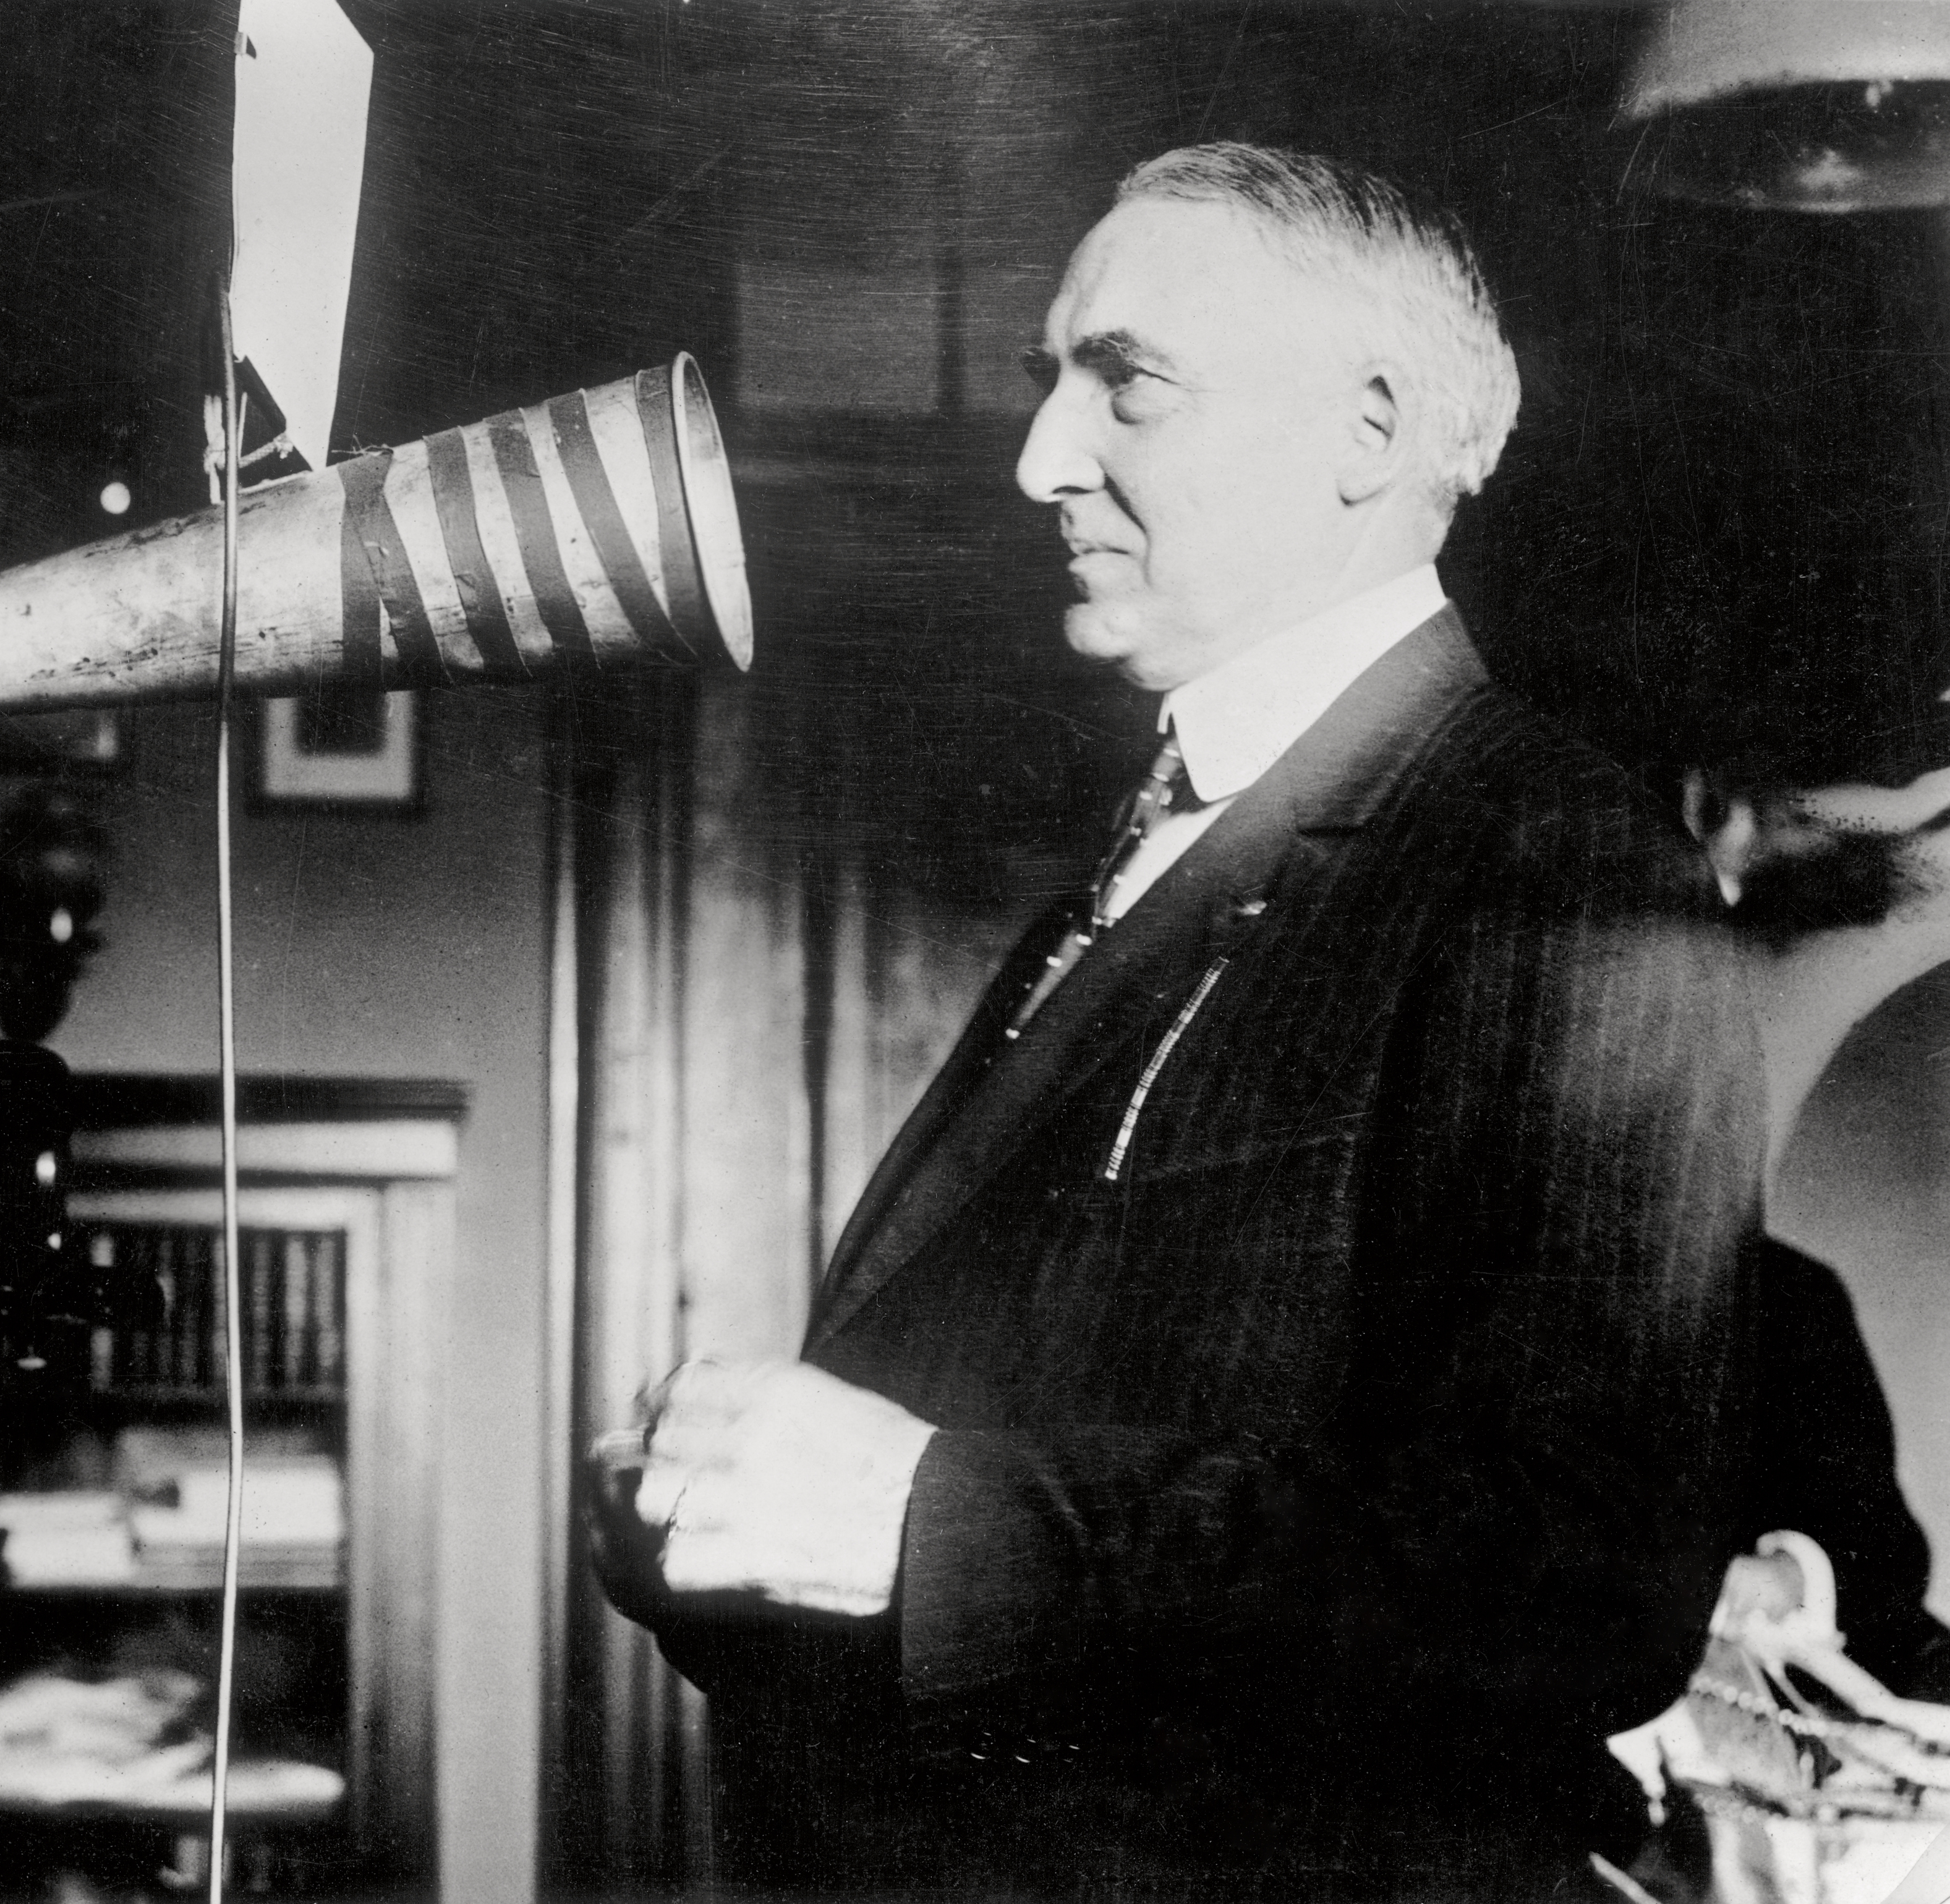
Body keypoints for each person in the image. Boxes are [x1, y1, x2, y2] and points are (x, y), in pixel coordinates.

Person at [589, 143, 1771, 1901]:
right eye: (1043, 382)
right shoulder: (1177, 838)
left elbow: (1577, 1585)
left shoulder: (1561, 866)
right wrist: (720, 1524)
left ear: (1368, 434)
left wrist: (926, 1522)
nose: (1037, 460)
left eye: (1122, 384)